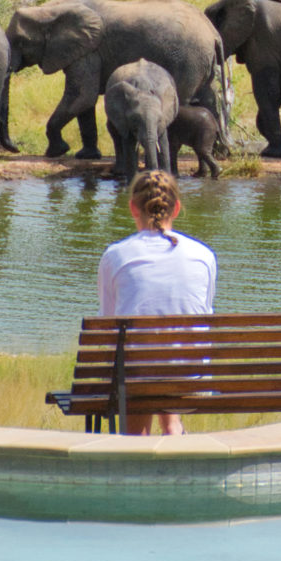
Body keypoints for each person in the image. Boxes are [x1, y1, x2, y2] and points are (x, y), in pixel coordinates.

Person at [96, 170, 216, 436]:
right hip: (190, 377)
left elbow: (106, 327)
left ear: (132, 208)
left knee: (136, 365)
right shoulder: (204, 255)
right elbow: (203, 318)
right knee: (167, 351)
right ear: (176, 208)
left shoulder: (115, 256)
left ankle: (136, 444)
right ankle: (172, 426)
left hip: (136, 379)